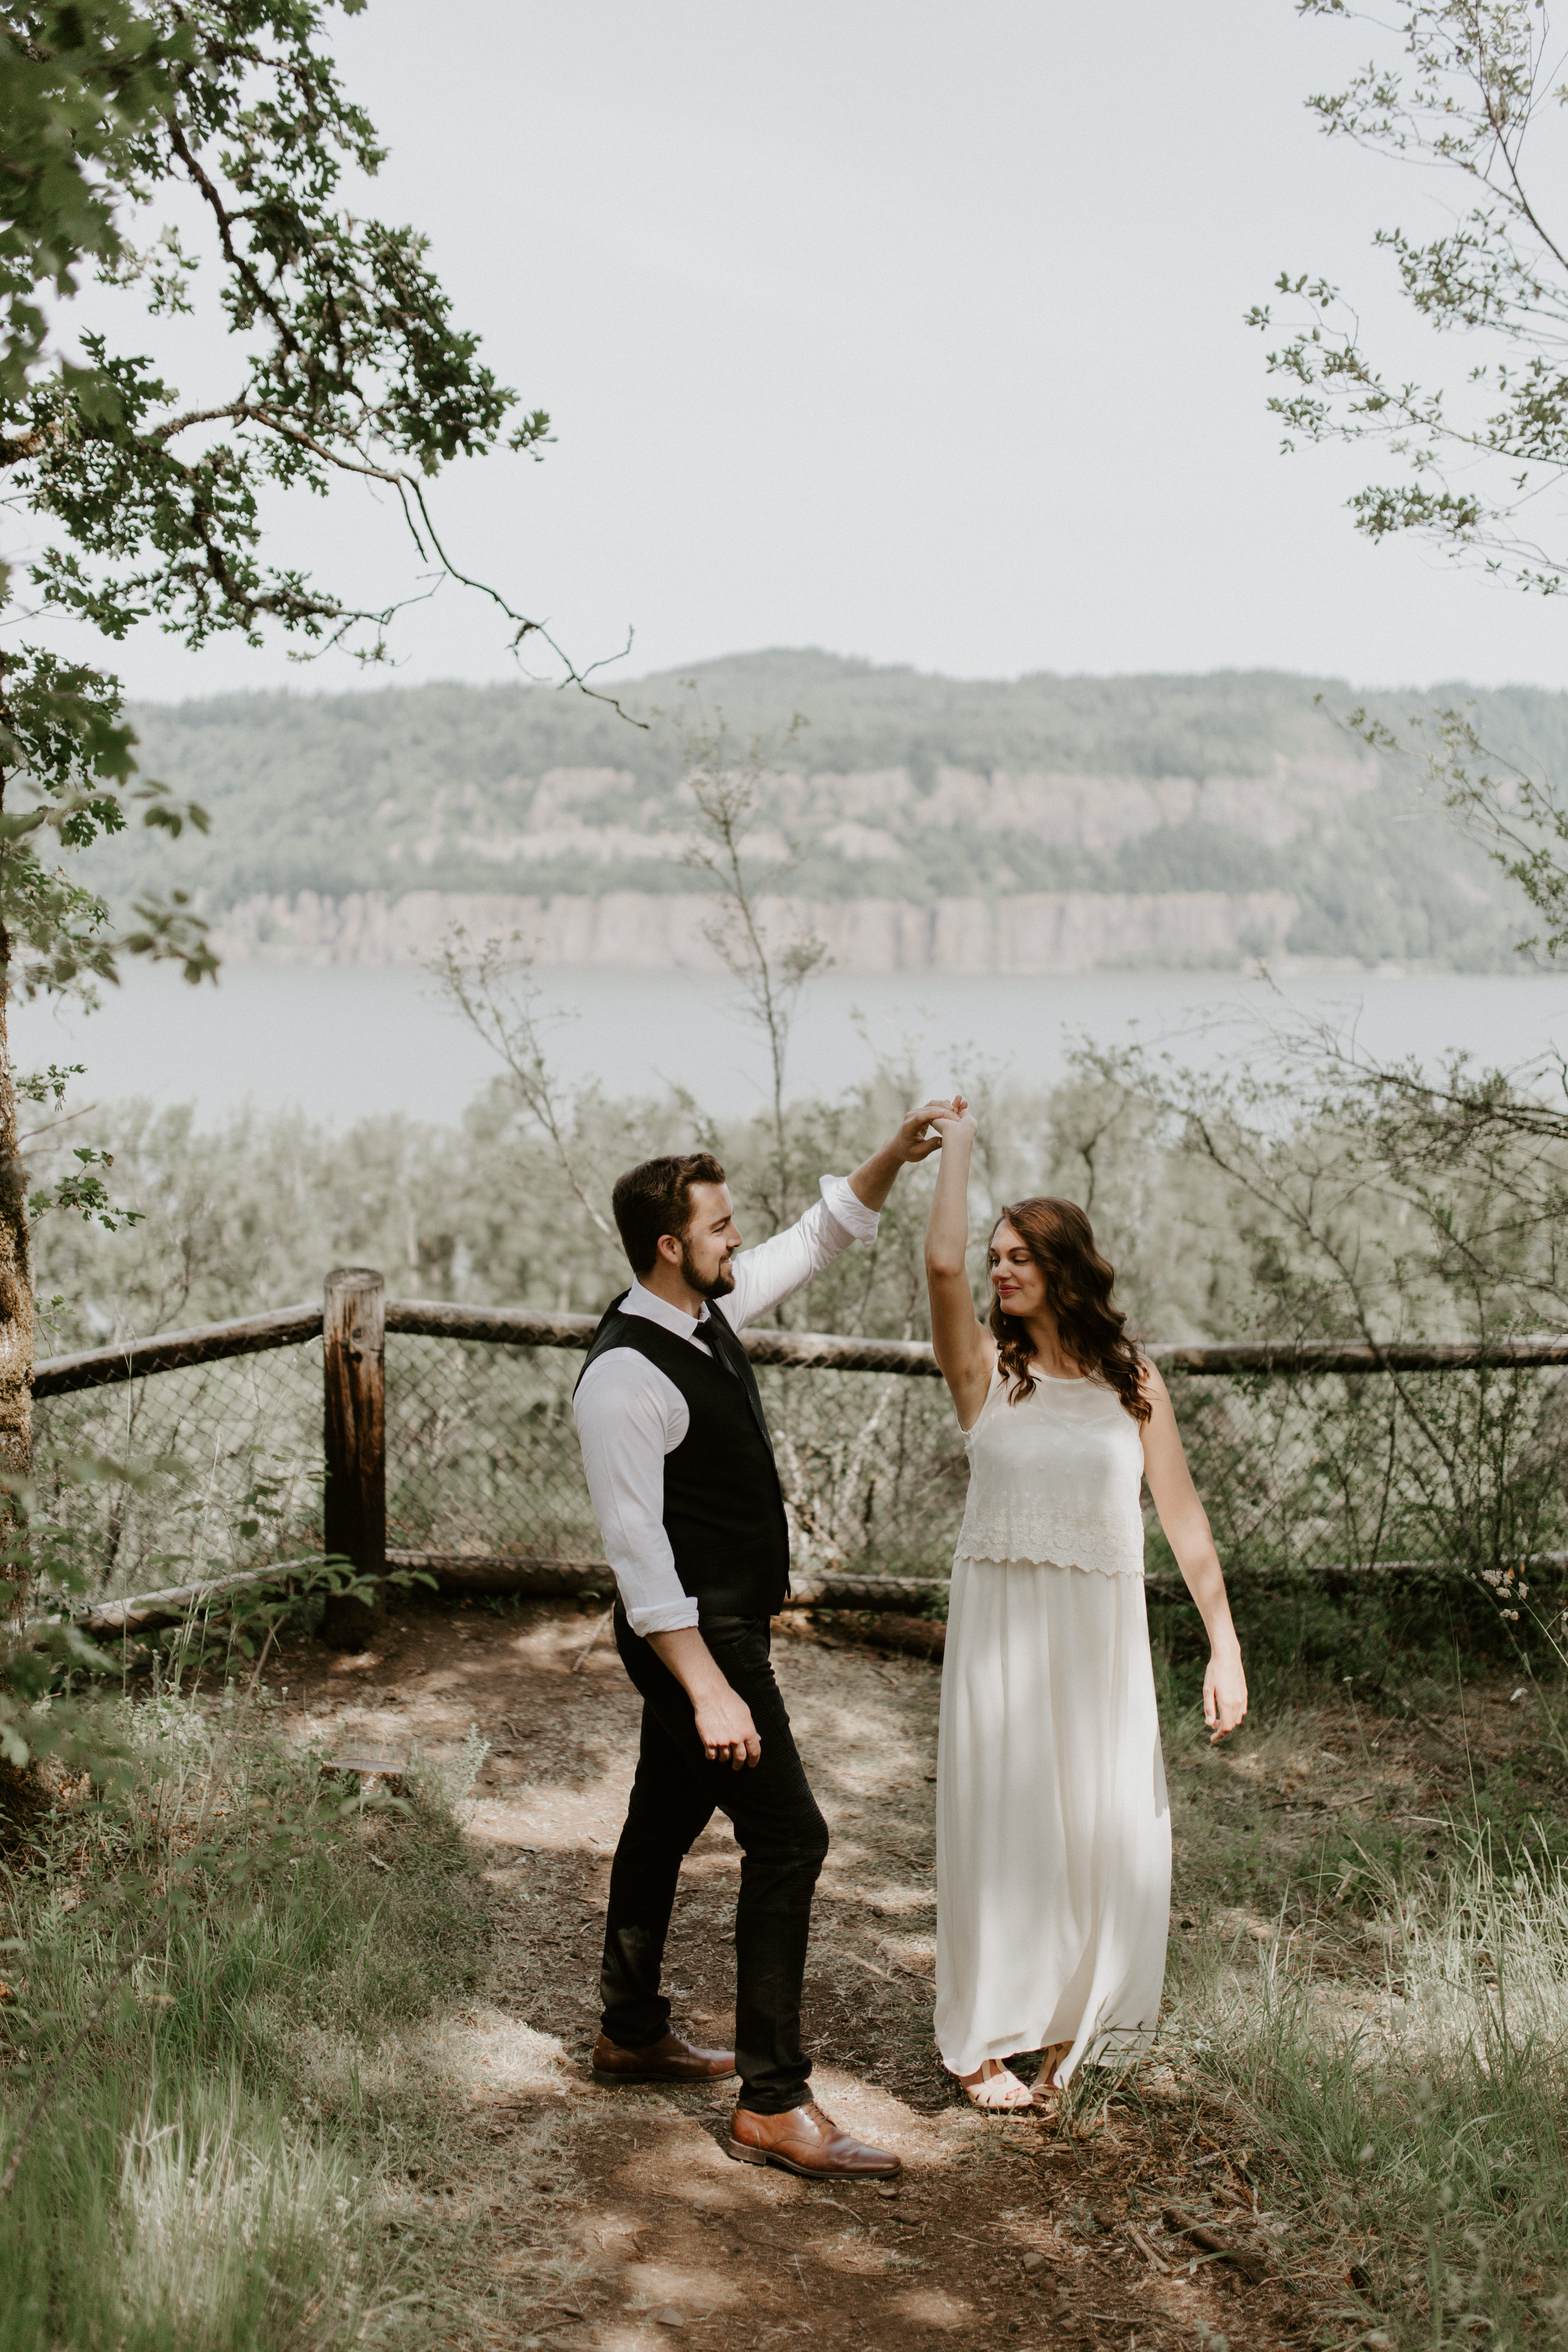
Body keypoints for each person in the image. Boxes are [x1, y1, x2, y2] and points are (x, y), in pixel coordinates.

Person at [572, 1109, 951, 2177]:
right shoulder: (622, 1380)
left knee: (663, 1816)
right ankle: (774, 2103)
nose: (737, 1240)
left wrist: (894, 1153)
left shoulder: (704, 1310)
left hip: (716, 1629)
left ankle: (631, 2029)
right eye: (720, 1227)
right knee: (793, 1839)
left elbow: (818, 1237)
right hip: (695, 1637)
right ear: (667, 1245)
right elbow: (640, 1561)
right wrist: (710, 1690)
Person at [923, 1097, 1248, 2111]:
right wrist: (960, 1145)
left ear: (1066, 1265)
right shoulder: (983, 1370)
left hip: (1100, 1641)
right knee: (1003, 1821)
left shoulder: (1132, 1381)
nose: (1000, 1269)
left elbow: (1186, 1523)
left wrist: (1223, 1648)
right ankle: (981, 2040)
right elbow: (938, 1269)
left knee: (1097, 1828)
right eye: (997, 1255)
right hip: (1002, 1640)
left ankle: (1076, 2026)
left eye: (1020, 1254)